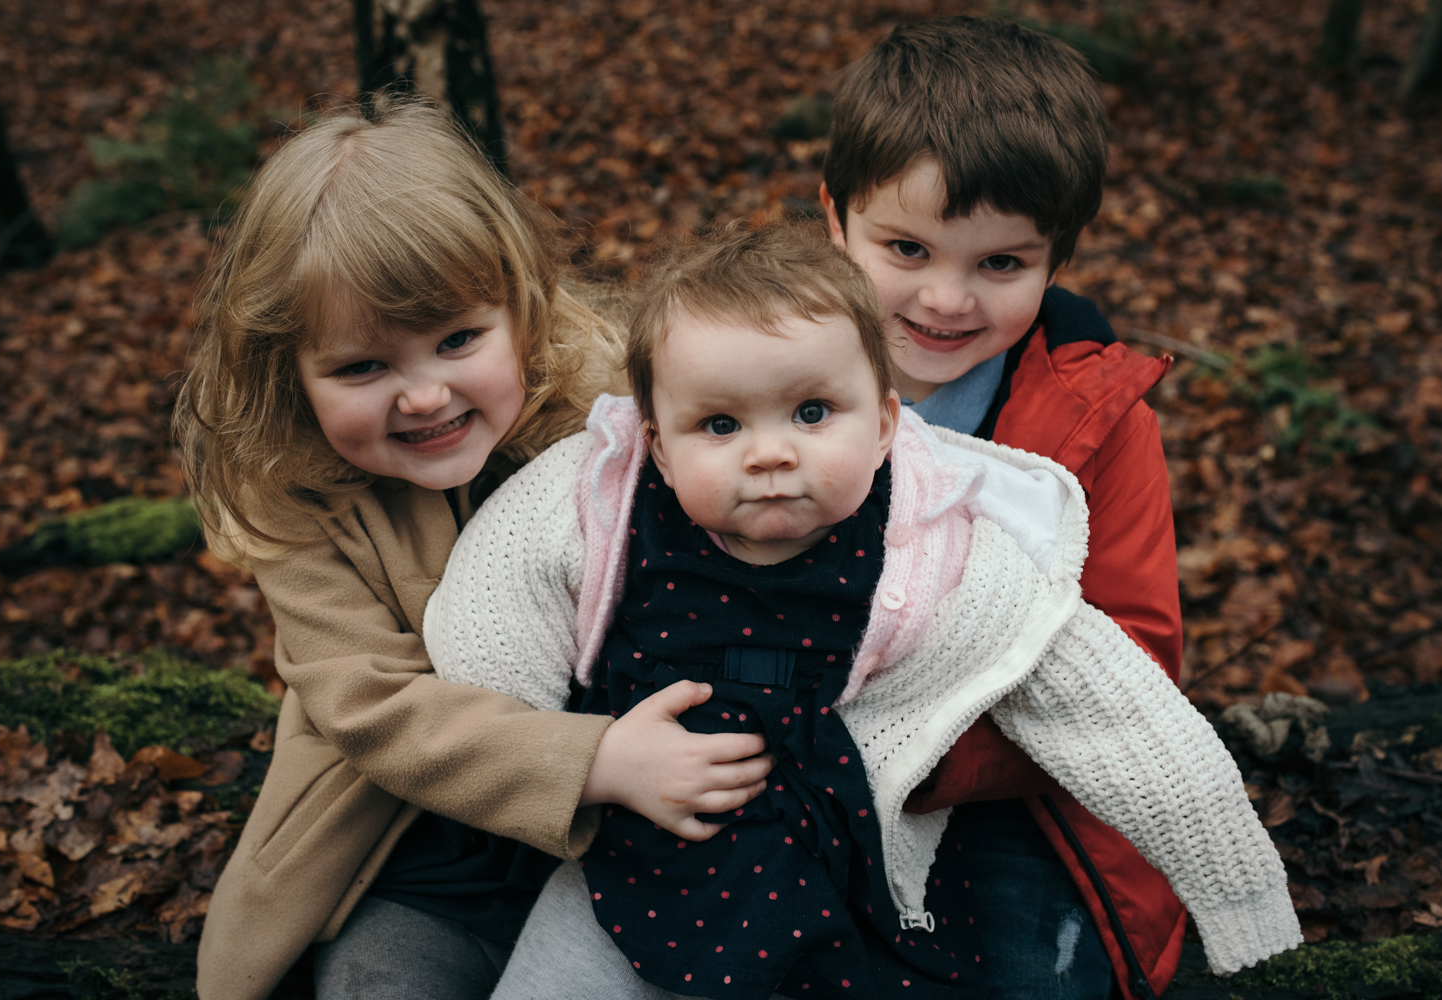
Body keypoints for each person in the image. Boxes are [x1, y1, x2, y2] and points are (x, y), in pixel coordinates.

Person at [423, 224, 1299, 1000]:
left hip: (840, 872)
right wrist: (568, 759)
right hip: (634, 854)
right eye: (720, 426)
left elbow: (1116, 709)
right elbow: (484, 630)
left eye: (812, 413)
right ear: (656, 438)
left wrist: (1238, 894)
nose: (770, 453)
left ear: (884, 424)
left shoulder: (940, 546)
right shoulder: (600, 502)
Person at [175, 97, 775, 1000]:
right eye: (362, 367)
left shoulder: (614, 416)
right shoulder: (300, 502)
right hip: (419, 851)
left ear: (521, 307)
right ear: (287, 370)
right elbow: (372, 707)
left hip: (640, 832)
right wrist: (593, 759)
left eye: (457, 340)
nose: (423, 396)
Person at [818, 18, 1187, 998]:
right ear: (833, 220)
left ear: (1053, 258)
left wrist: (919, 758)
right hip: (792, 775)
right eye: (904, 247)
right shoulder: (759, 373)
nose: (945, 300)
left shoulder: (1098, 427)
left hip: (1016, 806)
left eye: (998, 265)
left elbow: (1132, 657)